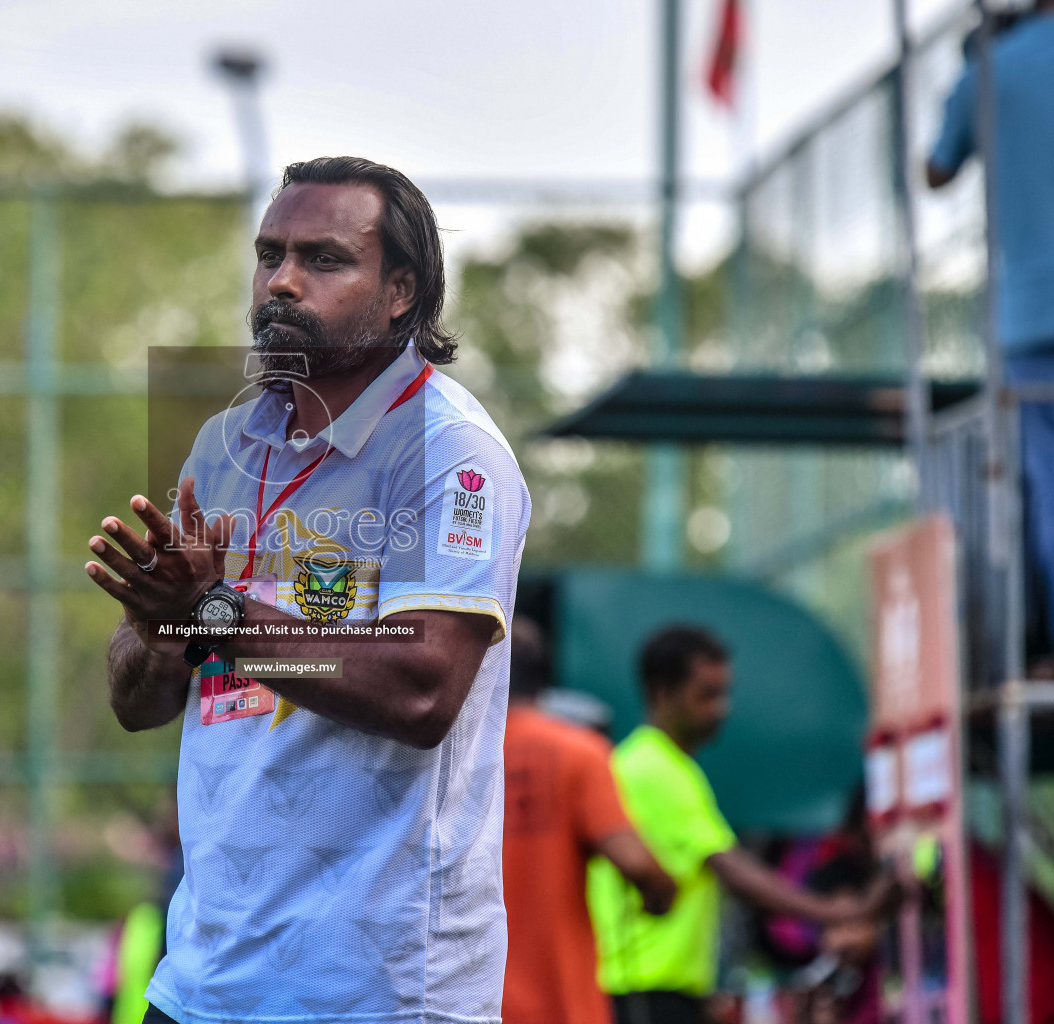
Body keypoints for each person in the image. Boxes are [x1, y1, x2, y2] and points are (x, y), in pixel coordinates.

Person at [87, 156, 531, 1023]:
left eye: (324, 260)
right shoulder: (224, 447)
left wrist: (211, 614)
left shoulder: (449, 452)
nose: (282, 281)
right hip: (203, 984)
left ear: (399, 291)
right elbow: (139, 703)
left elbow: (421, 689)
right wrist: (158, 626)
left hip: (374, 991)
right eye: (270, 254)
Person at [588, 626, 892, 1024]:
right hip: (645, 992)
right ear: (663, 693)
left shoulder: (659, 764)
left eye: (723, 694)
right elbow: (730, 868)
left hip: (655, 990)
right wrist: (837, 913)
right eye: (706, 695)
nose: (721, 709)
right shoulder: (655, 768)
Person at [926, 1, 1054, 657]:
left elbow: (935, 170)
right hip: (1028, 318)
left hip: (1031, 317)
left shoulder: (991, 68)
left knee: (1046, 483)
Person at [502, 614, 676, 1024]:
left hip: (459, 1005)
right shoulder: (579, 753)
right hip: (561, 1006)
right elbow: (637, 864)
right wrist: (661, 894)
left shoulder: (448, 756)